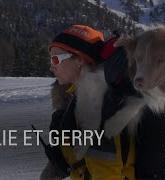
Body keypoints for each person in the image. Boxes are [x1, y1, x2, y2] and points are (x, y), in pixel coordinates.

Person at [40, 25, 136, 180]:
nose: (51, 67)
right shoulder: (77, 101)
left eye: (55, 59)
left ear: (79, 60)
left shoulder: (99, 107)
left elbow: (106, 174)